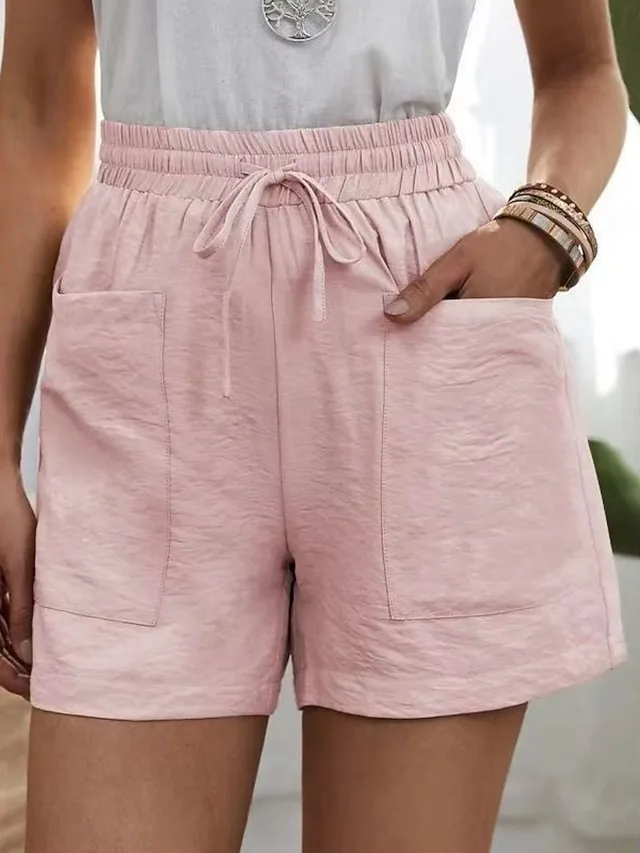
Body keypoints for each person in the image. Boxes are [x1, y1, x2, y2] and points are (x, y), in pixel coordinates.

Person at [0, 1, 629, 851]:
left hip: (416, 323)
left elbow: (582, 72)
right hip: (153, 347)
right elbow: (37, 109)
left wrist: (543, 231)